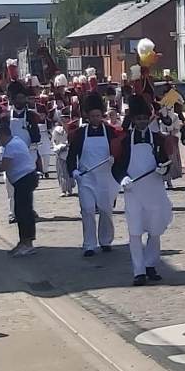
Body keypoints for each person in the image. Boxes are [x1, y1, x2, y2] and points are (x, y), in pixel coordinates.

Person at [114, 93, 172, 283]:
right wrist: (122, 179)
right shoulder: (124, 141)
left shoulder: (157, 139)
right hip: (134, 192)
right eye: (138, 119)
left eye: (144, 118)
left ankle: (150, 264)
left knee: (155, 230)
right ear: (132, 120)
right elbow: (118, 167)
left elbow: (166, 161)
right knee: (135, 231)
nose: (141, 122)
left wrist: (164, 168)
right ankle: (138, 270)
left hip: (154, 190)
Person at [71, 90, 121, 257]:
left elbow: (119, 150)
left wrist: (115, 158)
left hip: (105, 178)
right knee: (87, 210)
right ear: (87, 116)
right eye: (92, 116)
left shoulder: (110, 132)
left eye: (98, 115)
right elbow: (72, 155)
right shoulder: (80, 133)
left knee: (106, 210)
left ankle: (106, 240)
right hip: (86, 178)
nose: (95, 119)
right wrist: (74, 171)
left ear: (102, 115)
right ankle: (89, 244)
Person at [0, 118, 40, 258]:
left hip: (24, 179)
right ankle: (24, 241)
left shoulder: (10, 146)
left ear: (2, 136)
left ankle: (27, 243)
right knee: (23, 210)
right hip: (28, 177)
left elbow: (3, 167)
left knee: (22, 212)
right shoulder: (17, 140)